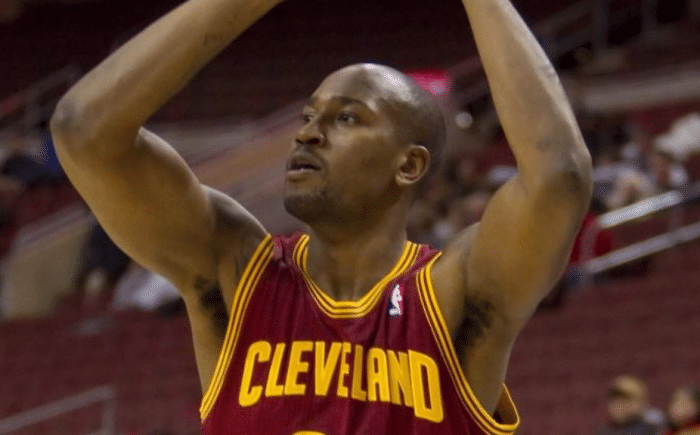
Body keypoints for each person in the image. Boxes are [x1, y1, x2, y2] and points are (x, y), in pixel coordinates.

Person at [49, 0, 592, 433]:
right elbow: (84, 131)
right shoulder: (240, 273)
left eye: (346, 118)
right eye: (308, 116)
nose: (308, 133)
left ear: (408, 165)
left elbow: (559, 176)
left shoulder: (454, 294)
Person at [595, 375, 665, 435]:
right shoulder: (606, 431)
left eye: (625, 400)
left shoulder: (653, 427)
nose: (619, 406)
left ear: (641, 402)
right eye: (615, 400)